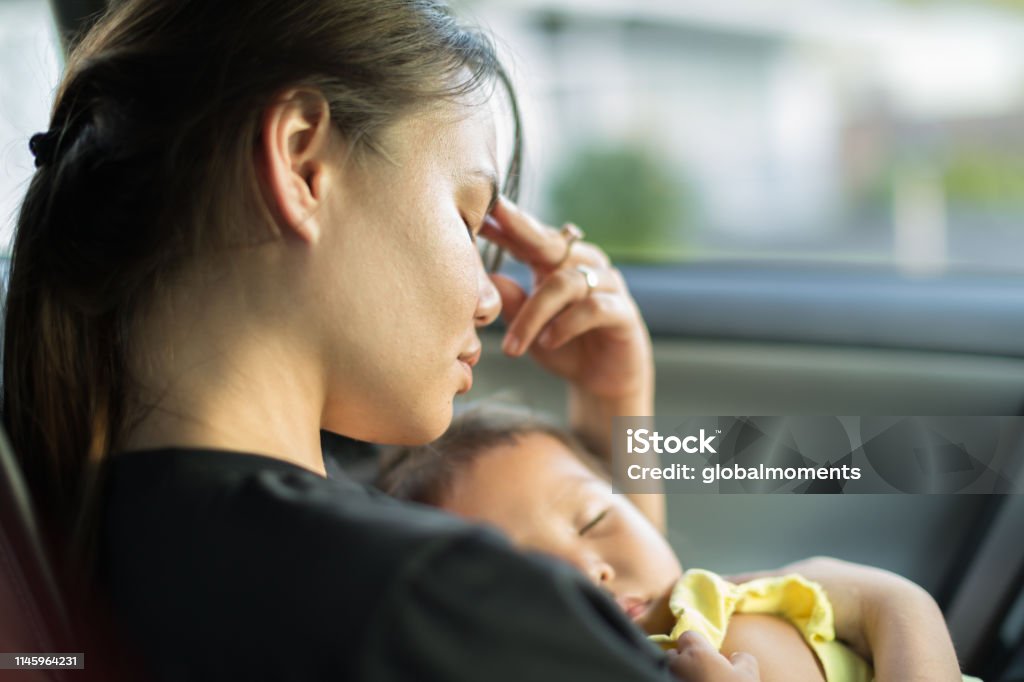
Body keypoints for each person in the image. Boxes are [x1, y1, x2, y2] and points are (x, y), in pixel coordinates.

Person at [1, 0, 963, 680]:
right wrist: (895, 608)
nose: (490, 299)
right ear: (301, 163)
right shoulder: (431, 596)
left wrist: (617, 411)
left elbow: (633, 617)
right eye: (468, 217)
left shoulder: (131, 529)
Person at [378, 404, 981, 682]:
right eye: (524, 572)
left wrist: (894, 605)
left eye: (593, 521)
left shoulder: (729, 600)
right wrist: (899, 604)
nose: (589, 570)